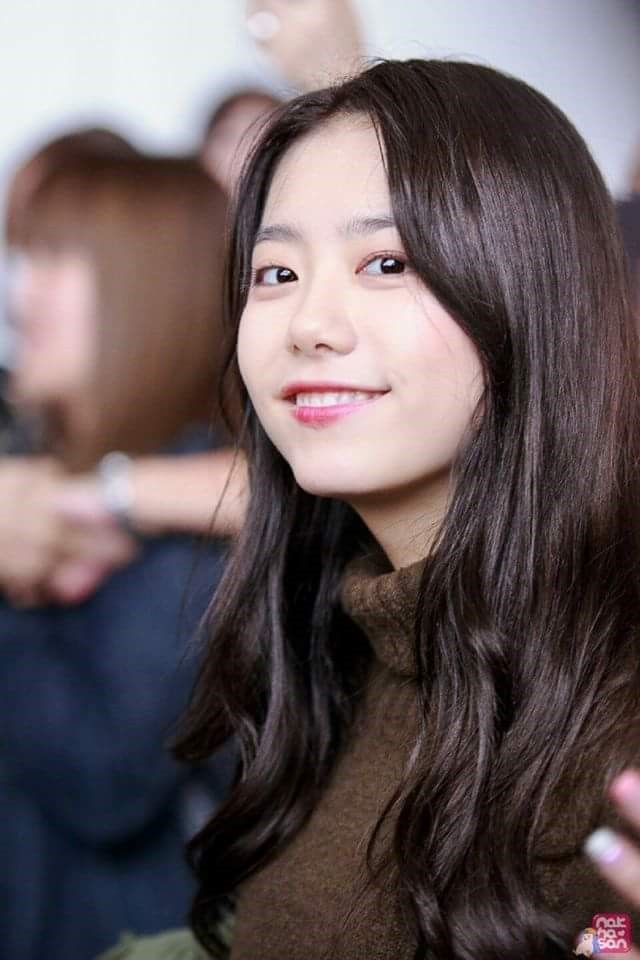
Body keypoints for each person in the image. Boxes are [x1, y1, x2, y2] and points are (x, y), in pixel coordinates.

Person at [165, 58, 640, 960]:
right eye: (275, 272)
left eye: (385, 263)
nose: (309, 323)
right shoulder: (329, 652)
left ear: (530, 292)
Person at [1, 152, 236, 960]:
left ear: (143, 289)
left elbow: (102, 784)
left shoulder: (193, 514)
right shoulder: (63, 467)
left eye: (52, 258)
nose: (21, 291)